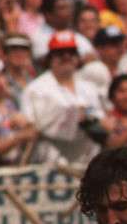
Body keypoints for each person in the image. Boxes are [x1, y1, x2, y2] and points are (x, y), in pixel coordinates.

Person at [21, 31, 105, 164]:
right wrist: (74, 115)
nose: (67, 57)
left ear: (77, 57)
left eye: (71, 53)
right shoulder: (35, 89)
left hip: (87, 158)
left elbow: (101, 120)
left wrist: (89, 118)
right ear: (50, 58)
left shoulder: (89, 87)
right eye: (60, 53)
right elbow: (33, 127)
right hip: (51, 159)